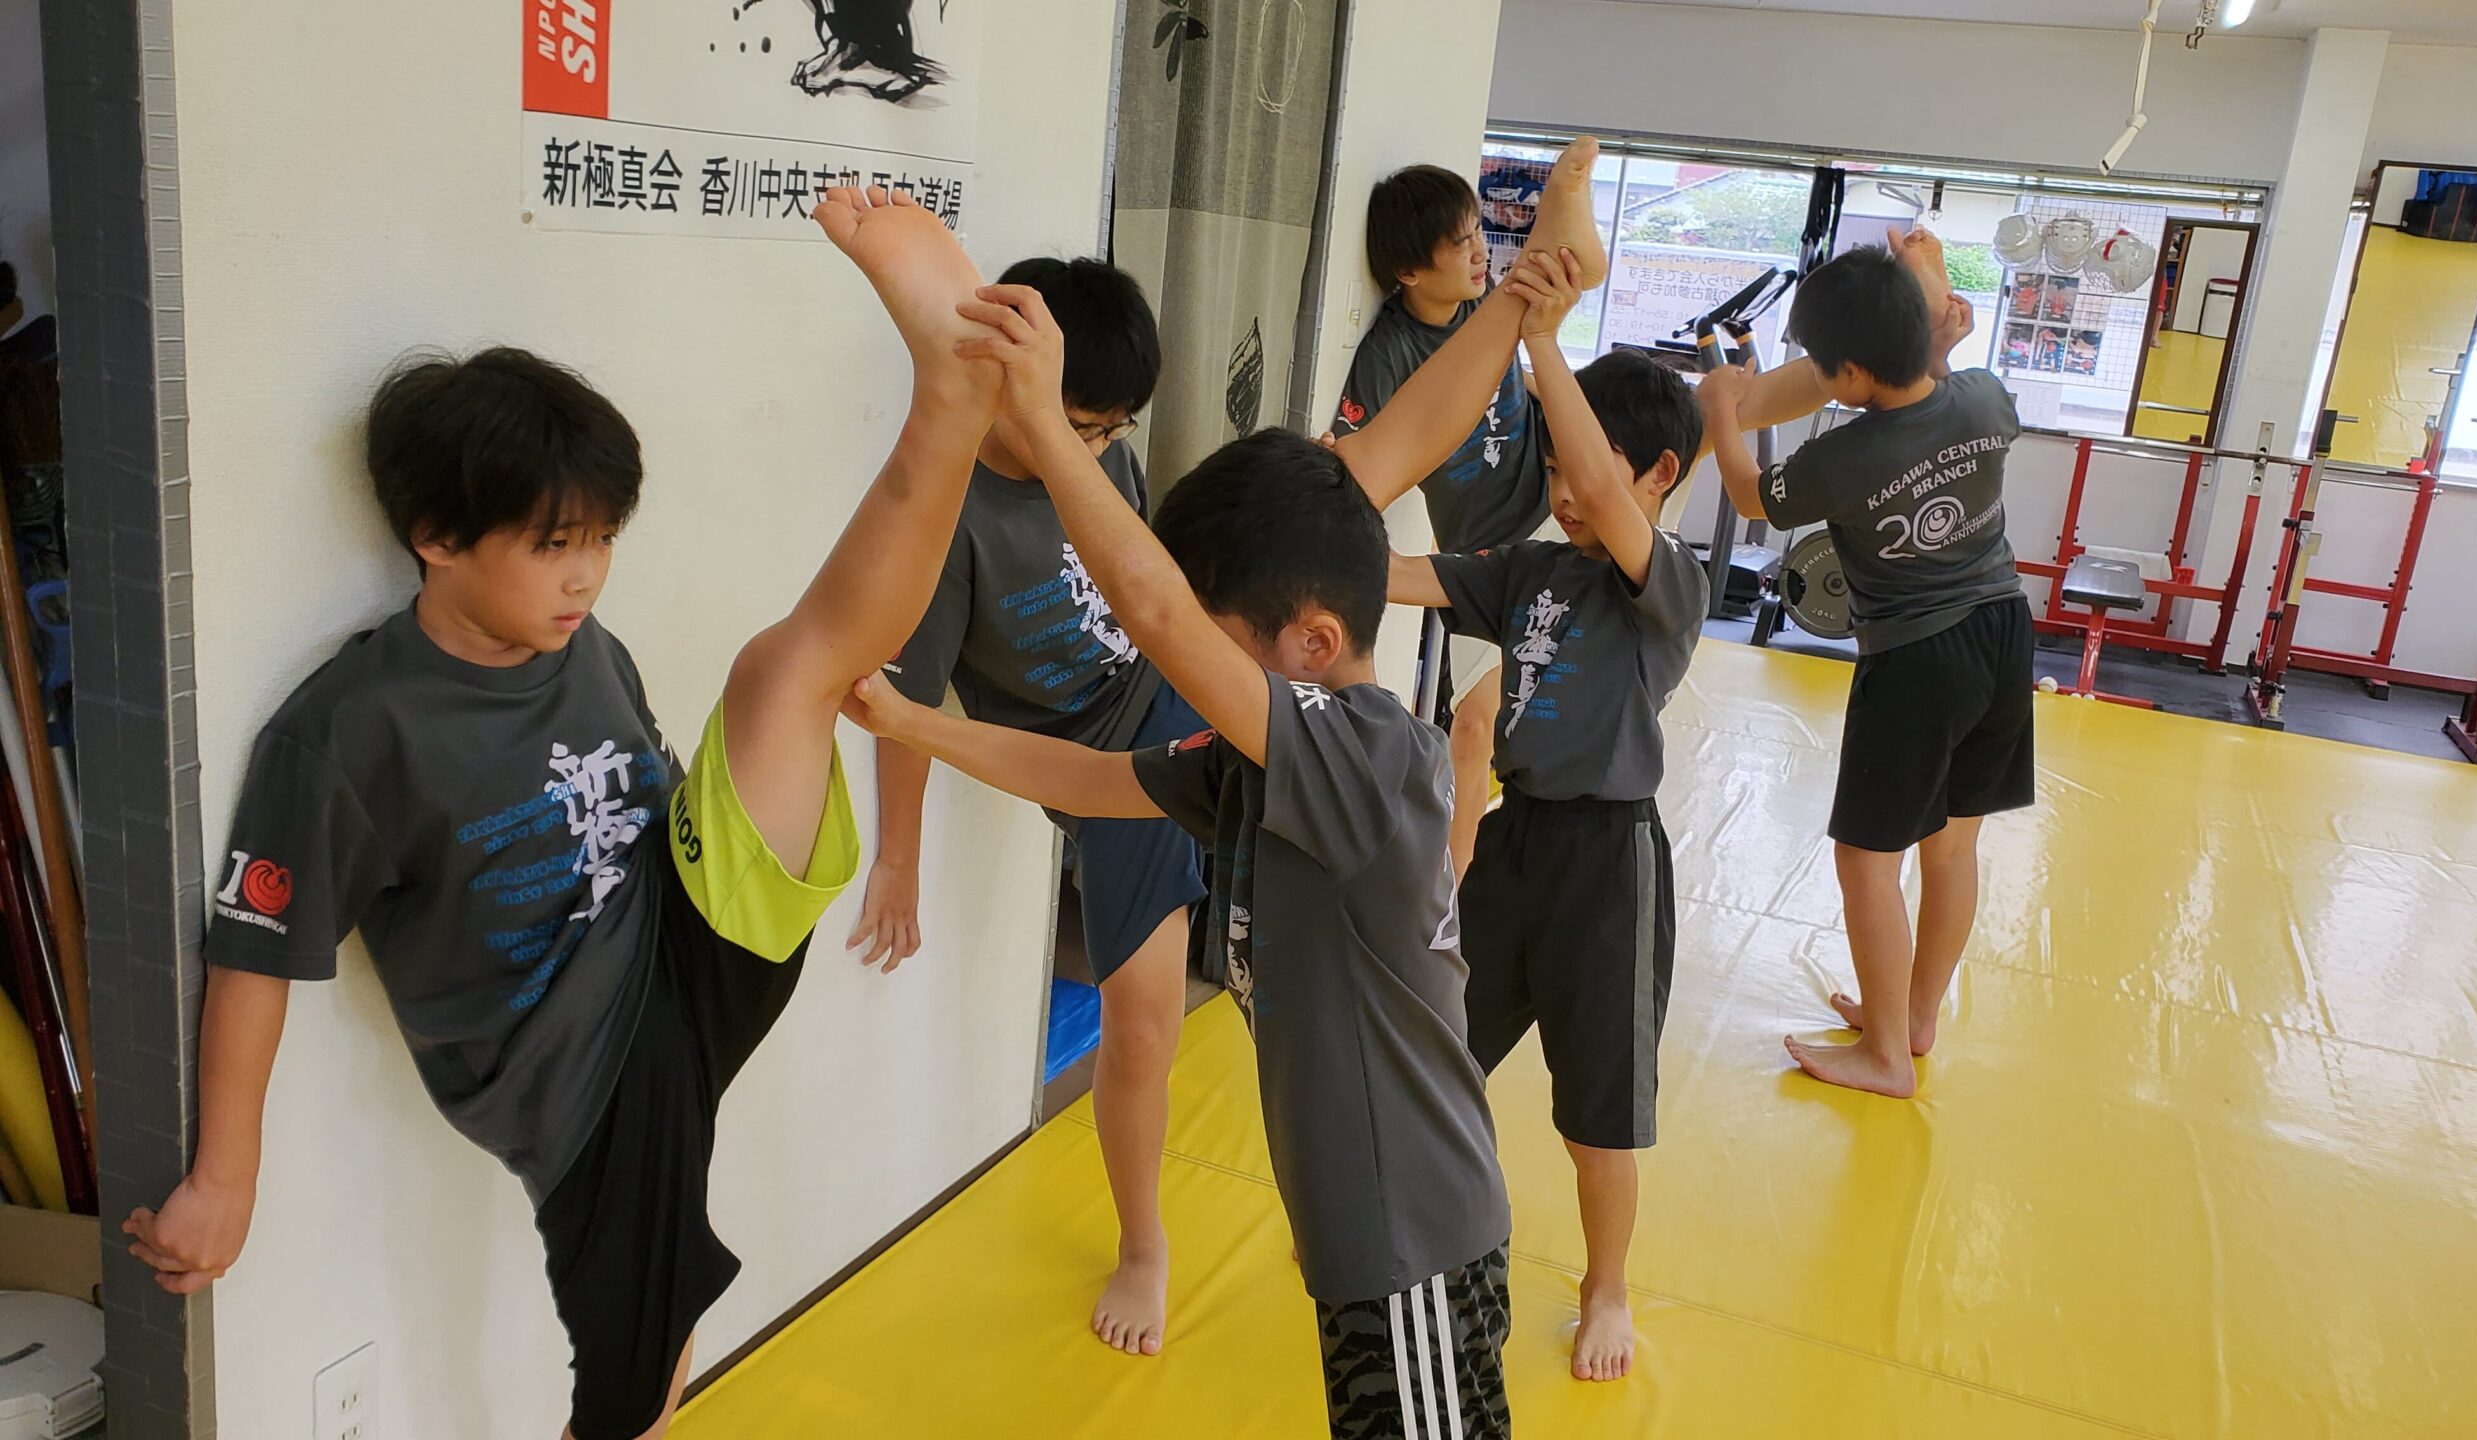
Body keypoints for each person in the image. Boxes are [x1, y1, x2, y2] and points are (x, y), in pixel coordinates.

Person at [121, 186, 1004, 1440]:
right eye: (551, 546)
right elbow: (256, 956)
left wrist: (768, 783)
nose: (586, 574)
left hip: (678, 941)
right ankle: (952, 408)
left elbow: (655, 791)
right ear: (436, 537)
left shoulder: (587, 647)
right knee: (643, 1336)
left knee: (787, 672)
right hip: (572, 1071)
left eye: (601, 539)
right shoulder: (348, 731)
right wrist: (226, 1177)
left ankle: (950, 407)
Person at [840, 141, 1613, 1438]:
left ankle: (1534, 291)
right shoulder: (1256, 764)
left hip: (1411, 1242)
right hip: (1367, 1239)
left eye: (1215, 634)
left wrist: (1043, 426)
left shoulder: (1358, 757)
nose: (1181, 647)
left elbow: (1154, 606)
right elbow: (1085, 776)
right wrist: (913, 720)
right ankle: (1535, 290)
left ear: (1305, 645)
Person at [855, 255, 1201, 1357]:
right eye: (1081, 426)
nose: (1094, 450)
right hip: (1108, 769)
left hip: (1187, 695)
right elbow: (906, 702)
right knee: (1141, 1021)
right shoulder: (950, 507)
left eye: (1109, 433)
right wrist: (898, 860)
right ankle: (1143, 1245)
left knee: (1298, 945)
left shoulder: (1104, 458)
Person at [1385, 250, 1705, 1383]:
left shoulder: (1664, 584)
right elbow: (1408, 579)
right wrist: (1309, 519)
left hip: (1609, 864)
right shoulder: (1533, 570)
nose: (1567, 492)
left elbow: (1610, 508)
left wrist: (1539, 339)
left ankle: (1605, 1283)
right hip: (1515, 846)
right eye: (1554, 469)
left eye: (1586, 469)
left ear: (1657, 475)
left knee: (1593, 1117)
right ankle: (1412, 1230)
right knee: (1441, 1055)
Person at [1696, 236, 2029, 1101]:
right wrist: (1941, 344)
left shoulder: (1843, 460)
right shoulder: (1986, 397)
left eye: (1817, 362)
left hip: (1919, 658)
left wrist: (1723, 409)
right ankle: (1914, 1018)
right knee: (1952, 847)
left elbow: (1749, 496)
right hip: (2003, 631)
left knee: (1865, 860)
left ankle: (1885, 1057)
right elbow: (1940, 393)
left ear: (1847, 375)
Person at [1331, 161, 1592, 880]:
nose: (1480, 252)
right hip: (1477, 561)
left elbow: (1578, 273)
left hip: (1554, 519)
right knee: (1473, 729)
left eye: (1480, 233)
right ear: (1410, 271)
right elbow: (1357, 471)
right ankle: (1453, 892)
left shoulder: (1491, 309)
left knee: (1555, 704)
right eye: (1460, 242)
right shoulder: (1389, 353)